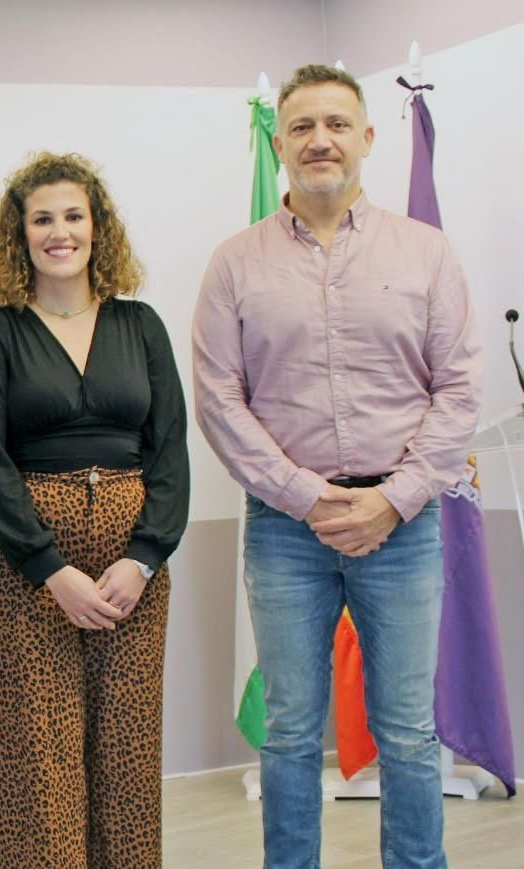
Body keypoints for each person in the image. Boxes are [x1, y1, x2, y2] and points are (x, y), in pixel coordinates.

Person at [192, 64, 481, 868]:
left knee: (408, 730)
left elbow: (458, 389)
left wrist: (395, 498)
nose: (320, 140)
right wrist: (306, 496)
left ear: (367, 138)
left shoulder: (426, 252)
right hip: (287, 532)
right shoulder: (233, 263)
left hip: (406, 524)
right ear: (278, 141)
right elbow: (219, 400)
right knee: (290, 730)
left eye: (337, 124)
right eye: (302, 126)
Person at [0, 152, 188, 867]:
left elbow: (171, 450)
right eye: (42, 218)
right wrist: (49, 568)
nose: (60, 232)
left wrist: (145, 556)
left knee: (125, 750)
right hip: (31, 574)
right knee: (37, 756)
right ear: (19, 234)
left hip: (132, 573)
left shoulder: (141, 324)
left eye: (73, 216)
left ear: (98, 227)